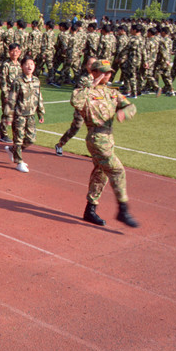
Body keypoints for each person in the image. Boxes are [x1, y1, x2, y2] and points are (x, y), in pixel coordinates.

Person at [71, 60, 138, 228]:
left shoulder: (111, 93)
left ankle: (90, 210)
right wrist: (92, 84)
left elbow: (131, 106)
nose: (107, 76)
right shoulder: (86, 92)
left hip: (109, 138)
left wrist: (124, 112)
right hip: (96, 138)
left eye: (109, 73)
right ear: (94, 73)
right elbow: (75, 100)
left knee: (101, 173)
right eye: (103, 72)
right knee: (117, 170)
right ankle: (123, 210)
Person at [5, 57, 44, 172]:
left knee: (31, 139)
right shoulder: (18, 82)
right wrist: (9, 116)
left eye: (32, 64)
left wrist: (40, 112)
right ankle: (19, 161)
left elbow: (39, 97)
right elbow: (12, 99)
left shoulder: (36, 80)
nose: (30, 66)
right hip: (19, 115)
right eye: (27, 64)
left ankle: (13, 150)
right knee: (18, 139)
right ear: (22, 67)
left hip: (31, 114)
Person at [55, 57, 96, 156]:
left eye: (94, 64)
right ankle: (60, 144)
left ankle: (95, 152)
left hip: (93, 108)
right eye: (89, 64)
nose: (91, 66)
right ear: (86, 65)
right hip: (81, 107)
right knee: (75, 127)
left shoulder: (98, 77)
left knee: (94, 130)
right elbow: (92, 86)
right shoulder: (84, 78)